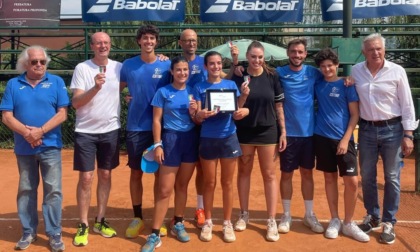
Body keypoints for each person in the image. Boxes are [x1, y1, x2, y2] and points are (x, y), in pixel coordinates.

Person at [0, 45, 69, 251]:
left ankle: (54, 232)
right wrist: (28, 134)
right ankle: (28, 231)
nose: (39, 65)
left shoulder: (56, 81)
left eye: (42, 61)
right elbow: (6, 116)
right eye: (34, 62)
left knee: (53, 191)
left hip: (51, 146)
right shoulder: (14, 84)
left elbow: (62, 113)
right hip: (24, 147)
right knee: (26, 190)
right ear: (25, 64)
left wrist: (40, 131)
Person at [352, 33, 418, 244]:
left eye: (379, 48)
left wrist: (408, 134)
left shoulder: (397, 71)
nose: (375, 52)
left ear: (384, 50)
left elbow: (407, 104)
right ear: (364, 52)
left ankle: (389, 221)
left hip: (393, 130)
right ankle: (373, 217)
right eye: (371, 49)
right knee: (368, 176)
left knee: (392, 177)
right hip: (367, 130)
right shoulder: (356, 71)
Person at [229, 41, 286, 242]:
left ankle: (271, 219)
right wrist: (243, 97)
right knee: (244, 171)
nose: (256, 60)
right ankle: (244, 213)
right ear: (248, 56)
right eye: (253, 57)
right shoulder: (239, 75)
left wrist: (283, 132)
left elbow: (279, 105)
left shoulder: (272, 76)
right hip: (244, 132)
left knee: (269, 174)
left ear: (264, 57)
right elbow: (234, 106)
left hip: (268, 131)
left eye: (260, 57)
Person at [141, 56, 199, 252]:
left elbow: (198, 120)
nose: (183, 73)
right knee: (165, 190)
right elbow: (156, 120)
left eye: (185, 69)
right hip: (171, 140)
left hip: (191, 140)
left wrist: (195, 113)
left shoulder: (194, 91)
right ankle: (155, 234)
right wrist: (158, 144)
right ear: (172, 72)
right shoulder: (163, 92)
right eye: (179, 70)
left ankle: (178, 223)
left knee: (182, 185)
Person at [70, 32, 122, 246]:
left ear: (110, 45)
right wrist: (95, 87)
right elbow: (76, 103)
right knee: (86, 178)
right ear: (92, 45)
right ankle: (83, 224)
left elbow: (140, 77)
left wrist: (163, 58)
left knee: (106, 175)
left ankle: (100, 220)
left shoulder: (119, 67)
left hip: (111, 130)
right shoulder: (82, 68)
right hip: (85, 131)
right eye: (99, 43)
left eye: (106, 43)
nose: (103, 46)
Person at [120, 24, 171, 239]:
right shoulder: (128, 65)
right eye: (145, 38)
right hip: (136, 127)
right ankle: (138, 217)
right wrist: (125, 96)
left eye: (152, 38)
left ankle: (157, 218)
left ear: (156, 42)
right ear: (139, 41)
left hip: (161, 128)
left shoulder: (166, 64)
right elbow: (118, 88)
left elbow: (176, 86)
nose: (148, 41)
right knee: (136, 172)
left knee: (160, 174)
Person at [313, 48, 369, 242]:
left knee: (352, 182)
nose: (327, 69)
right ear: (319, 68)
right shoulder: (318, 84)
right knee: (330, 179)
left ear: (336, 65)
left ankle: (348, 222)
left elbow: (355, 114)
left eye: (330, 65)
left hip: (345, 140)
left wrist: (346, 139)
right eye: (323, 66)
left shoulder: (347, 84)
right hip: (321, 137)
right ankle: (334, 219)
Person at [193, 51, 249, 243]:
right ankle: (208, 221)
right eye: (212, 64)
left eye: (218, 63)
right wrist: (200, 114)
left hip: (228, 137)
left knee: (227, 183)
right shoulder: (199, 86)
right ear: (206, 67)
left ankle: (226, 223)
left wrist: (244, 100)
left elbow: (236, 111)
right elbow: (197, 117)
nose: (216, 67)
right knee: (209, 182)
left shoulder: (231, 85)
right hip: (208, 138)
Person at [275, 38, 325, 234]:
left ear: (305, 54)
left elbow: (332, 78)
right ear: (288, 53)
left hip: (309, 134)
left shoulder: (314, 73)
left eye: (300, 52)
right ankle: (286, 215)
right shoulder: (278, 73)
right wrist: (236, 67)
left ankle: (309, 214)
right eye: (293, 52)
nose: (297, 55)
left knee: (307, 173)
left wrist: (348, 79)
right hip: (288, 135)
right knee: (286, 174)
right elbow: (256, 72)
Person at [178, 29, 207, 228]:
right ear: (180, 43)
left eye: (194, 40)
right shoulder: (172, 64)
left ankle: (199, 208)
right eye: (187, 40)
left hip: (201, 123)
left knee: (201, 169)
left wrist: (236, 66)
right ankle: (177, 212)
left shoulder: (205, 62)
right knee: (177, 171)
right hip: (177, 126)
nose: (191, 43)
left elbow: (221, 77)